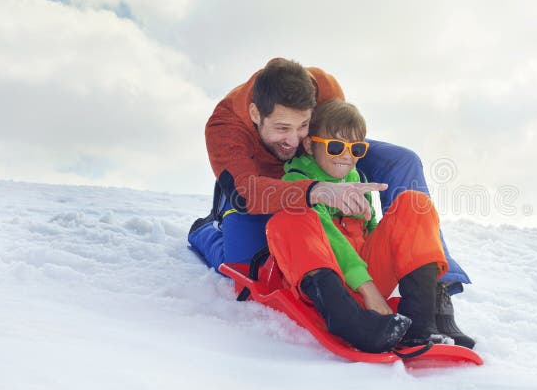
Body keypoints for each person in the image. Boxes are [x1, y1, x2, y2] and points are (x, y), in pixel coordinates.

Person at [187, 58, 473, 343]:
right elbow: (245, 193)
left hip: (318, 162)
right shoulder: (224, 126)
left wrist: (358, 210)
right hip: (255, 186)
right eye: (281, 128)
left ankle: (433, 290)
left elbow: (339, 139)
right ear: (255, 114)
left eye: (303, 126)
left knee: (404, 162)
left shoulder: (324, 89)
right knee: (246, 266)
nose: (294, 140)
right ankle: (204, 231)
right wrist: (316, 190)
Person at [266, 100, 473, 351]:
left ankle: (420, 324)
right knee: (291, 217)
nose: (346, 156)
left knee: (414, 203)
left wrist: (389, 247)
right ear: (310, 145)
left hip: (367, 281)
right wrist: (369, 290)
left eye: (357, 150)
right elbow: (329, 237)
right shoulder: (297, 182)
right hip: (328, 292)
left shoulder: (356, 180)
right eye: (335, 147)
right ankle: (353, 325)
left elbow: (371, 230)